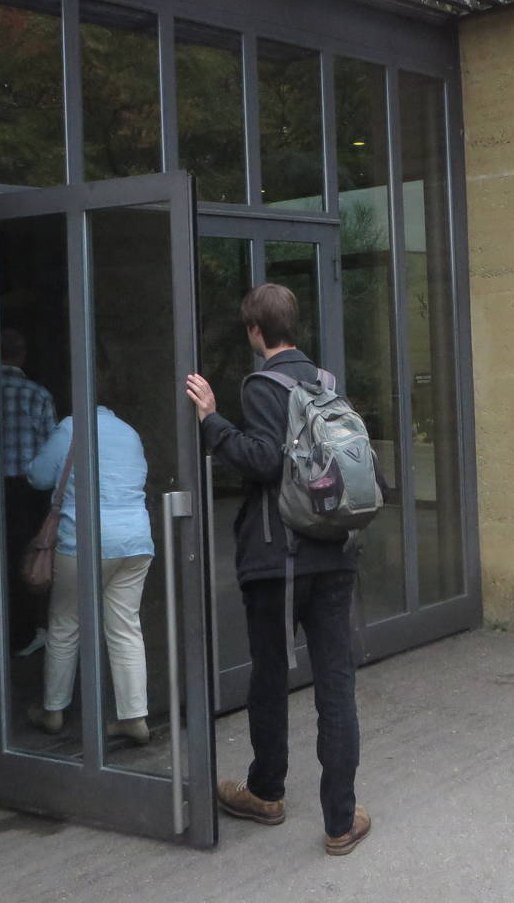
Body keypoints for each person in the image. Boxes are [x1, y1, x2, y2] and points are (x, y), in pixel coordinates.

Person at [185, 283, 371, 856]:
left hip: (277, 560)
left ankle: (266, 793)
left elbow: (264, 460)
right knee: (335, 684)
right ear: (294, 326)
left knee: (270, 676)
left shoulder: (262, 385)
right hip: (334, 552)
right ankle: (341, 821)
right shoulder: (326, 383)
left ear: (255, 331)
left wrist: (213, 422)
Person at [23, 397, 153, 746]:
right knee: (125, 627)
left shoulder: (71, 428)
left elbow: (37, 476)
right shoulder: (130, 433)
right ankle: (134, 717)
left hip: (85, 540)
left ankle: (53, 711)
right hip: (136, 541)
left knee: (66, 624)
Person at [0, 328, 57, 655]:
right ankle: (22, 635)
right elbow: (51, 452)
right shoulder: (37, 395)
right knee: (26, 562)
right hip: (25, 490)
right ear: (22, 355)